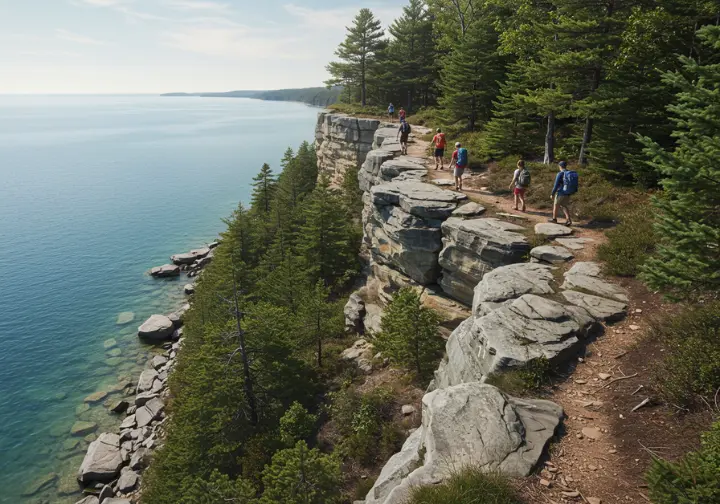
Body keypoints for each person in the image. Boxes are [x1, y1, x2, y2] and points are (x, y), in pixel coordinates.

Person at [550, 160, 578, 226]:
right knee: (564, 206)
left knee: (556, 205)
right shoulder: (569, 173)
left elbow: (556, 185)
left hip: (560, 192)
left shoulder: (560, 174)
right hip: (567, 192)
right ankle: (568, 220)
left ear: (560, 166)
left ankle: (554, 219)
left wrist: (552, 194)